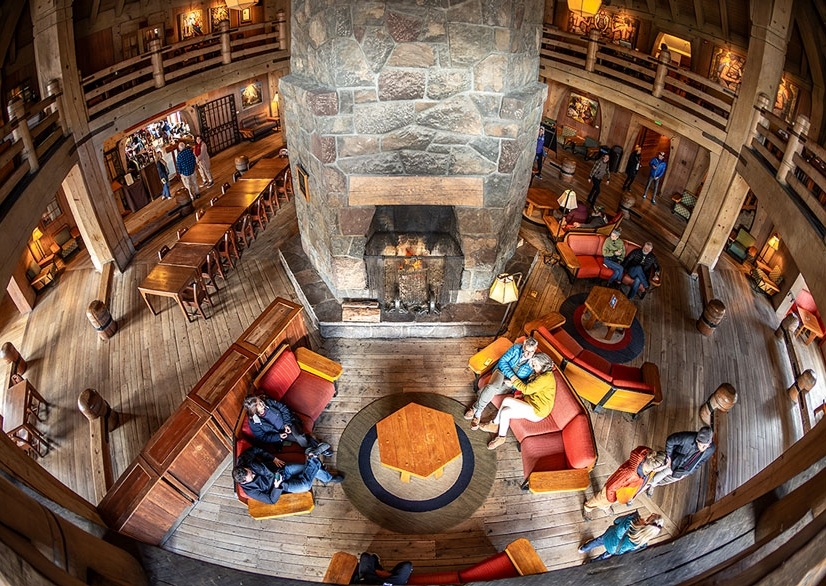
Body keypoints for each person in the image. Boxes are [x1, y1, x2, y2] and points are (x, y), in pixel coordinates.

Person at [479, 353, 556, 450]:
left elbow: (527, 389)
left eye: (536, 365)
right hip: (531, 404)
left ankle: (494, 423)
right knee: (505, 412)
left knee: (507, 401)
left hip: (538, 410)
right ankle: (501, 437)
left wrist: (513, 380)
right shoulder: (541, 374)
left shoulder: (544, 378)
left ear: (543, 365)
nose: (534, 367)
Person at [464, 337, 539, 430]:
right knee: (493, 386)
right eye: (526, 350)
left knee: (490, 389)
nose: (527, 354)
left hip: (513, 382)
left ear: (535, 349)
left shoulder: (536, 362)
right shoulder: (516, 348)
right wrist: (512, 376)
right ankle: (478, 413)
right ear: (523, 346)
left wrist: (513, 384)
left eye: (531, 351)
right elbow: (502, 362)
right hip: (501, 371)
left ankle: (474, 409)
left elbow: (527, 381)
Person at [232, 444, 342, 505]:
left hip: (283, 470)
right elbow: (271, 500)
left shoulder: (243, 460)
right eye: (251, 476)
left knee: (310, 469)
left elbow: (256, 449)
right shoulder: (250, 490)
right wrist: (276, 486)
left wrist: (272, 458)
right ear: (244, 481)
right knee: (306, 485)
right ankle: (312, 455)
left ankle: (327, 477)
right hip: (284, 485)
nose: (254, 474)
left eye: (251, 471)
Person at [583, 447, 668, 515]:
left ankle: (605, 506)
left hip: (624, 489)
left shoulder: (648, 453)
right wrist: (611, 500)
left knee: (606, 502)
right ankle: (588, 507)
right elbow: (611, 487)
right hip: (611, 492)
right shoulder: (629, 473)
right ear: (656, 468)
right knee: (600, 500)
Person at [243, 394, 333, 456]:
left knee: (300, 436)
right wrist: (278, 436)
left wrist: (287, 424)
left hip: (290, 422)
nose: (262, 403)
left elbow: (284, 409)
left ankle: (313, 452)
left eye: (260, 401)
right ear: (254, 409)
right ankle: (317, 450)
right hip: (281, 434)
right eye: (259, 404)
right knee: (300, 439)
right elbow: (262, 437)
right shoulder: (254, 422)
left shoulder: (269, 402)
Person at [646, 427, 716, 494]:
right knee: (660, 475)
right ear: (697, 440)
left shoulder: (711, 449)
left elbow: (701, 461)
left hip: (683, 471)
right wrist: (669, 457)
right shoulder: (687, 438)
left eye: (706, 446)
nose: (702, 448)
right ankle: (648, 484)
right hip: (674, 462)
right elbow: (670, 440)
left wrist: (690, 471)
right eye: (701, 445)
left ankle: (653, 485)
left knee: (666, 480)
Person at [578, 512, 663, 562]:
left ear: (649, 520)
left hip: (609, 537)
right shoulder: (642, 542)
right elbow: (630, 551)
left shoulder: (631, 520)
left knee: (598, 541)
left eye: (653, 514)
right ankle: (591, 563)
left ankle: (583, 549)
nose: (652, 514)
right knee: (604, 556)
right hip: (615, 550)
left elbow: (616, 521)